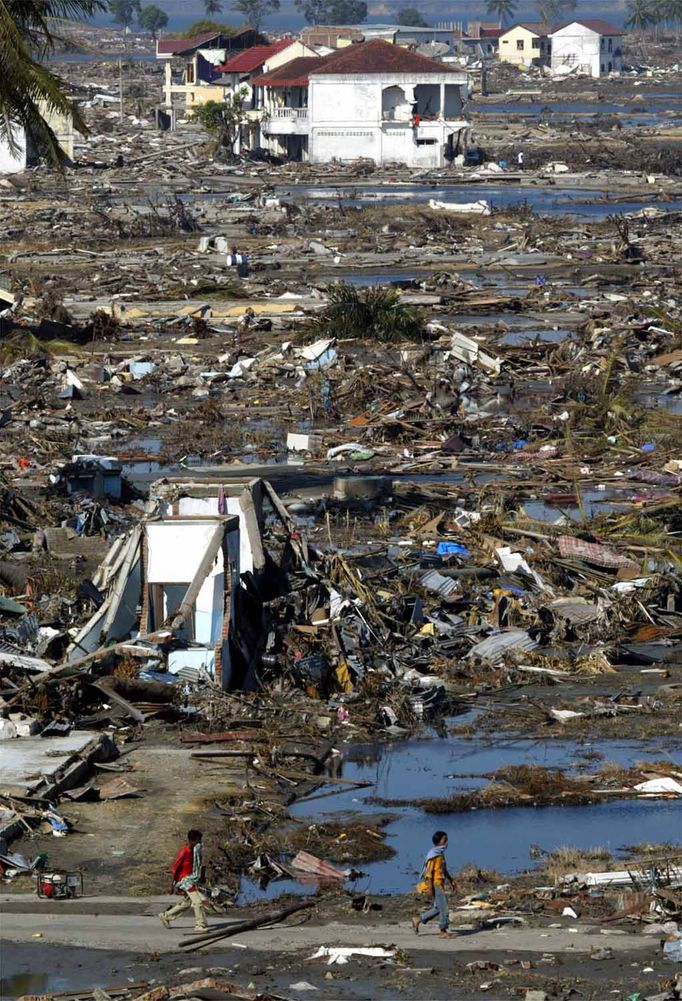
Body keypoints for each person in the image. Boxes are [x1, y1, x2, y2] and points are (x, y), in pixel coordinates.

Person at [159, 829, 209, 932]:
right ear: (193, 840)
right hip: (185, 881)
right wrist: (171, 886)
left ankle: (166, 916)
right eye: (199, 841)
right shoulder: (184, 852)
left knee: (186, 903)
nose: (200, 843)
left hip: (191, 879)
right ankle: (200, 925)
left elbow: (198, 865)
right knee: (198, 901)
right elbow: (174, 870)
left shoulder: (194, 851)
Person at [412, 830, 456, 938]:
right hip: (436, 885)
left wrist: (451, 880)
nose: (446, 843)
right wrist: (430, 888)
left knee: (438, 908)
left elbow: (443, 870)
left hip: (440, 883)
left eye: (446, 840)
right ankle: (443, 931)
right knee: (444, 907)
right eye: (444, 840)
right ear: (438, 842)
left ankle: (418, 919)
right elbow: (428, 874)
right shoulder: (433, 856)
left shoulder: (440, 854)